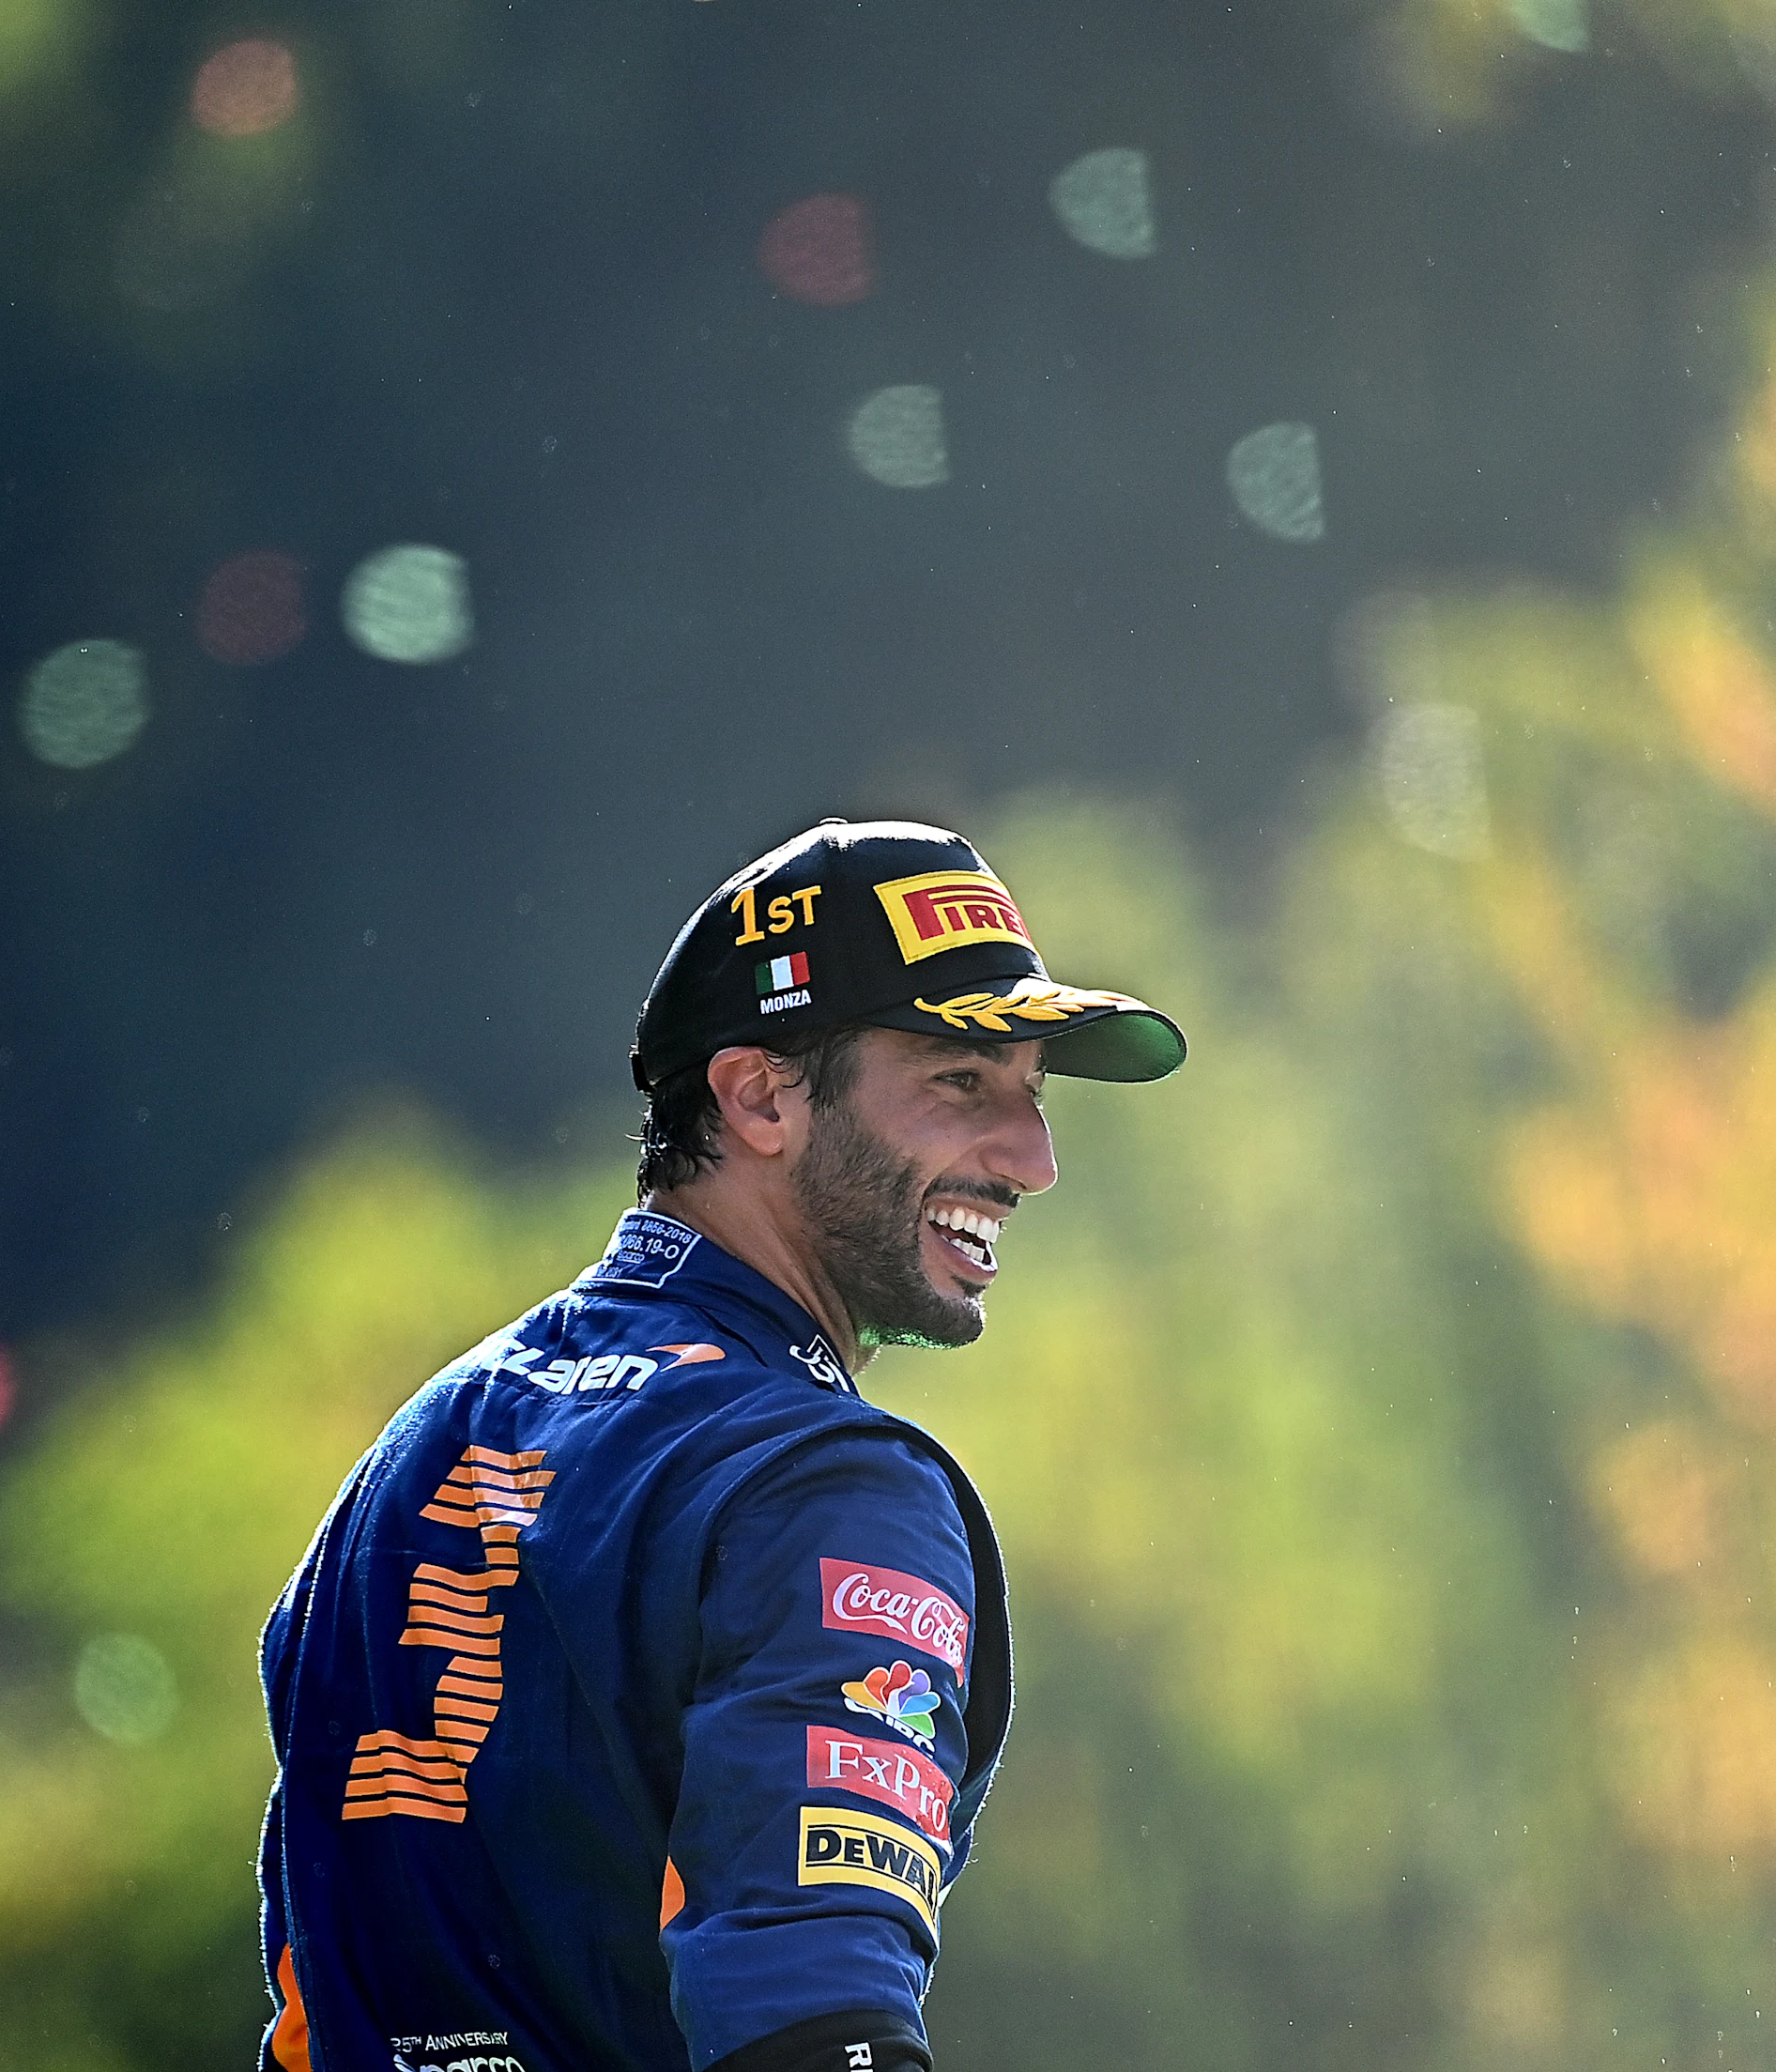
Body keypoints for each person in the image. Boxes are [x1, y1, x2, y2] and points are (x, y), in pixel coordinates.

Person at [256, 820, 1187, 2072]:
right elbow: (814, 2020)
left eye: (1034, 1091)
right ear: (758, 1096)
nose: (1034, 1158)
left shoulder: (416, 1450)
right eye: (961, 1082)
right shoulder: (829, 1487)